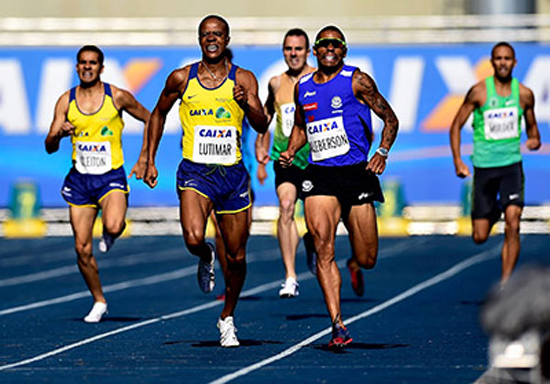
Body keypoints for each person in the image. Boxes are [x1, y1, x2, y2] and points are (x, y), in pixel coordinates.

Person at [144, 15, 268, 348]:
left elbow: (261, 123)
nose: (211, 39)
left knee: (238, 257)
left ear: (226, 39)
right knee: (193, 236)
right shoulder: (182, 78)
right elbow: (158, 113)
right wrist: (148, 157)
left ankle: (227, 317)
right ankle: (204, 254)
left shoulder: (244, 78)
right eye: (205, 35)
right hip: (195, 173)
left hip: (232, 175)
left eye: (217, 34)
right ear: (199, 39)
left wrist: (247, 103)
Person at [280, 25, 398, 349]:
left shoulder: (357, 80)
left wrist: (382, 153)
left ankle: (354, 264)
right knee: (323, 247)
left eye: (336, 44)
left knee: (368, 256)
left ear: (343, 50)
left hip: (356, 174)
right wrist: (291, 150)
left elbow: (391, 119)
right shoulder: (302, 86)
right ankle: (338, 325)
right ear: (314, 51)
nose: (330, 48)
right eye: (324, 44)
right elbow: (302, 127)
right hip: (321, 175)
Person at [45, 45, 151, 323]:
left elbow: (151, 119)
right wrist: (59, 133)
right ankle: (98, 299)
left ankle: (110, 231)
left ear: (101, 68)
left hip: (110, 178)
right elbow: (49, 146)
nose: (88, 67)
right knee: (82, 248)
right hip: (80, 180)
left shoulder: (117, 97)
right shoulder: (65, 101)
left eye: (93, 63)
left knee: (115, 225)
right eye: (83, 63)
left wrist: (144, 158)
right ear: (77, 67)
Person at [450, 42, 541, 287]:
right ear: (492, 62)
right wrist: (458, 160)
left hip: (511, 165)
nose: (503, 62)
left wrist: (534, 140)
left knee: (514, 221)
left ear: (514, 62)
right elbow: (455, 126)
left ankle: (505, 283)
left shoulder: (524, 94)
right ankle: (492, 211)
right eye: (498, 58)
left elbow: (533, 129)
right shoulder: (479, 92)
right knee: (480, 236)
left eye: (507, 58)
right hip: (484, 168)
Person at [255, 28, 316, 298]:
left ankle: (313, 243)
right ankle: (290, 276)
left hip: (315, 159)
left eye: (298, 49)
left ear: (308, 52)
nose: (293, 54)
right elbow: (266, 114)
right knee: (286, 206)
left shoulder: (318, 79)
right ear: (283, 52)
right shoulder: (276, 83)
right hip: (285, 157)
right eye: (289, 49)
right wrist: (260, 146)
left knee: (316, 222)